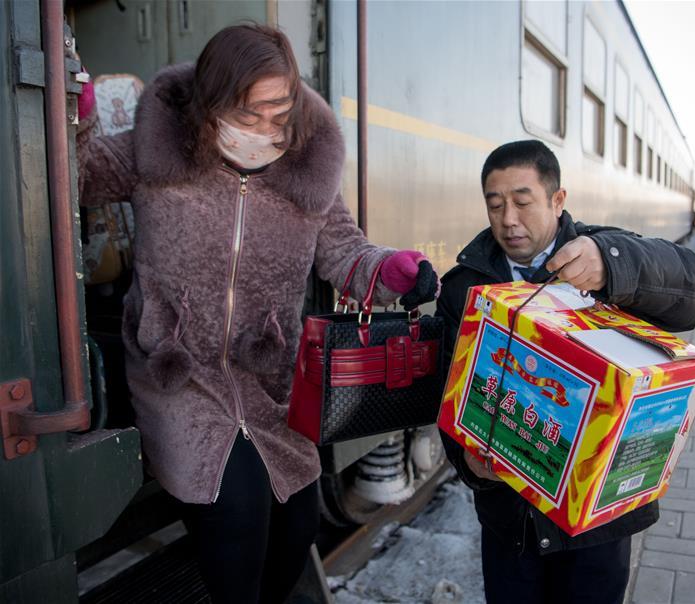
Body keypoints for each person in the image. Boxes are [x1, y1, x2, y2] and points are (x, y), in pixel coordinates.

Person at [76, 25, 439, 604]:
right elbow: (79, 173)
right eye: (251, 115)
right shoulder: (158, 150)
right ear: (210, 106)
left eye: (281, 113)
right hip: (178, 371)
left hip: (267, 376)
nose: (269, 131)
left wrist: (389, 269)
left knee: (296, 528)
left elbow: (345, 250)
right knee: (237, 513)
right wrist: (79, 114)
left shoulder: (305, 168)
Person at [436, 140, 695, 604]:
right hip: (511, 521)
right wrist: (468, 464)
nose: (508, 219)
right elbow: (446, 389)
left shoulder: (603, 254)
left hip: (596, 527)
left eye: (523, 202)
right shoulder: (465, 285)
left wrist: (611, 264)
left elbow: (694, 285)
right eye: (495, 204)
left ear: (557, 200)